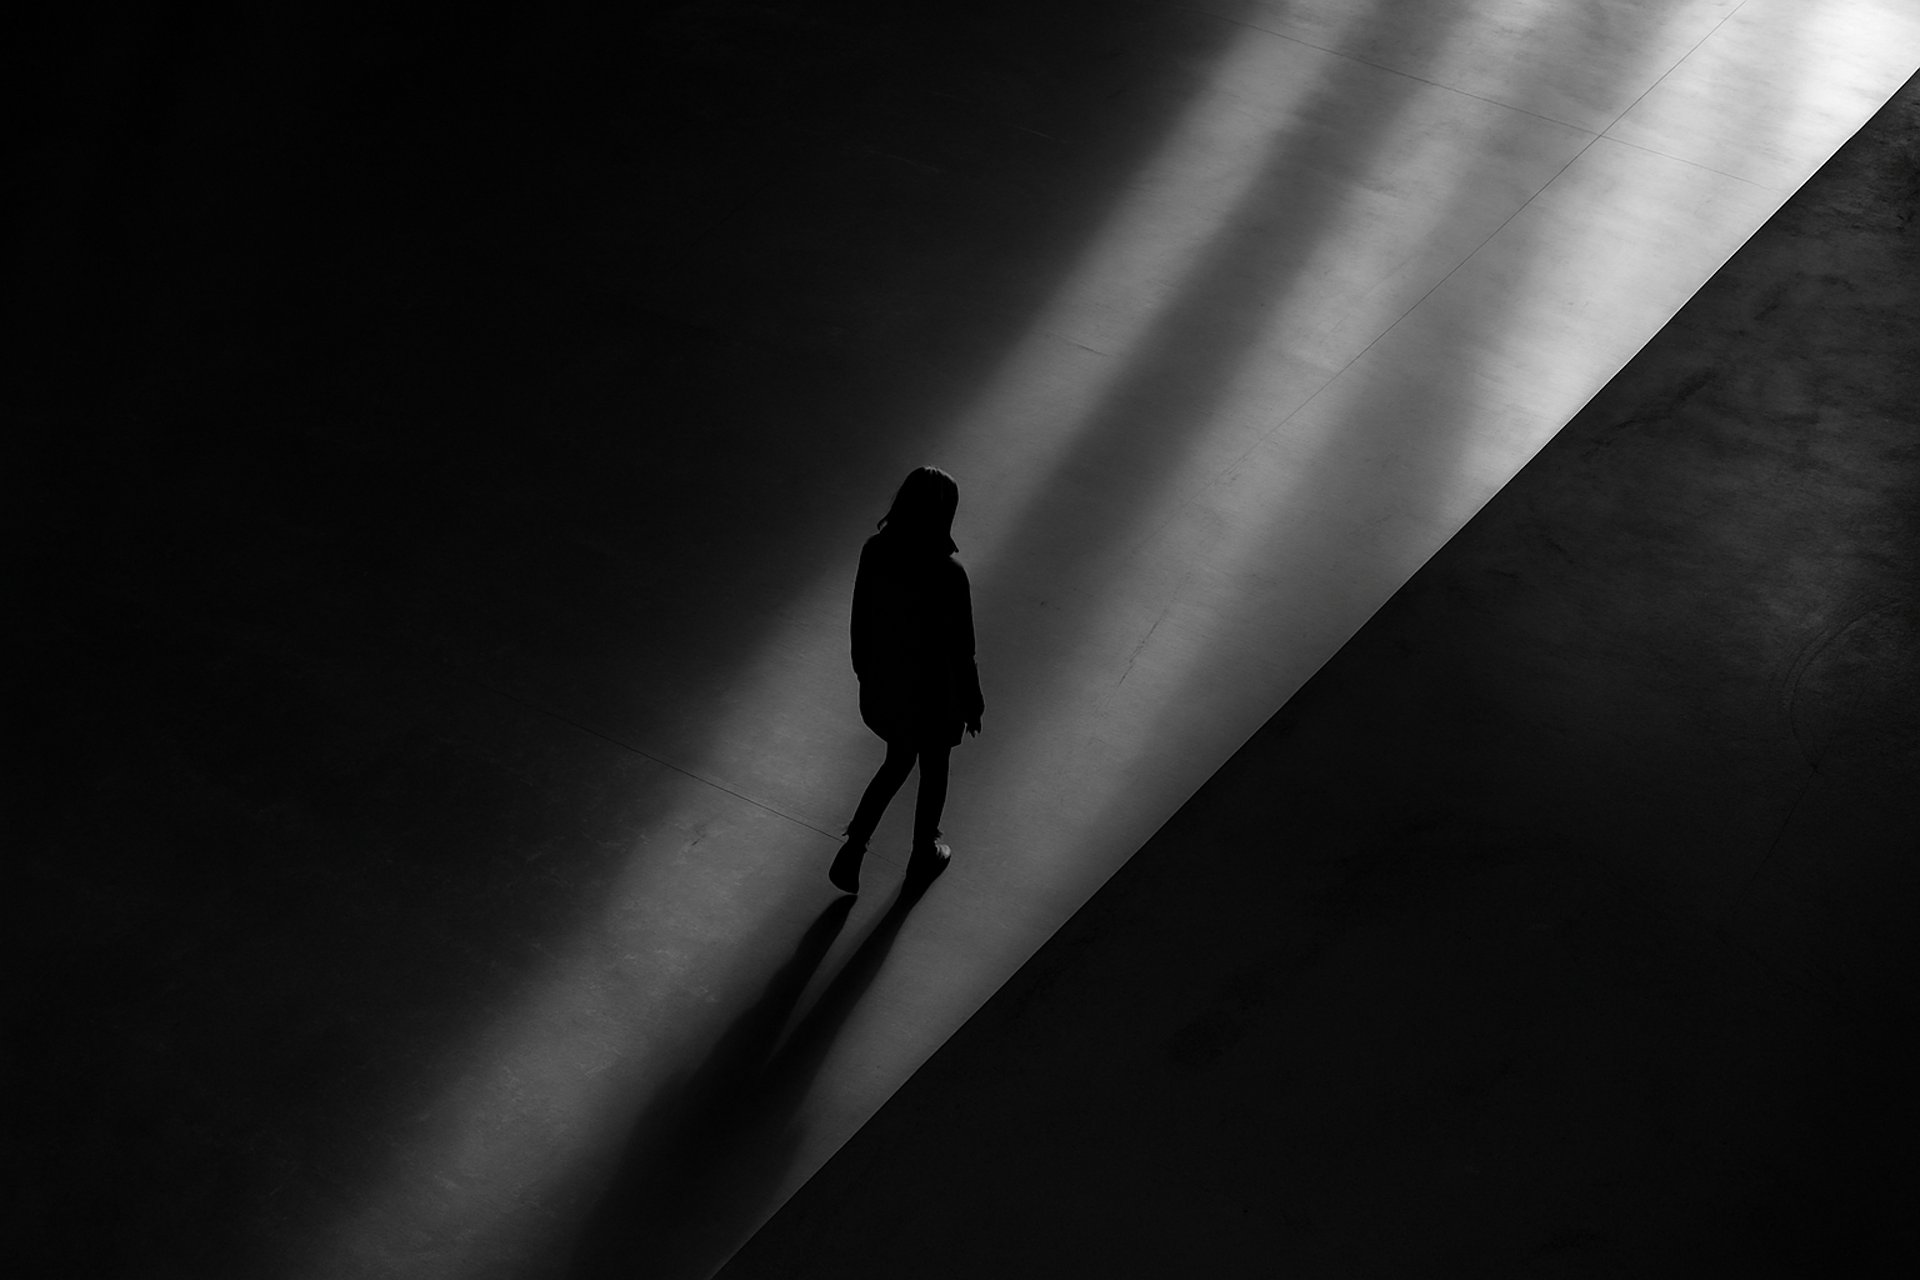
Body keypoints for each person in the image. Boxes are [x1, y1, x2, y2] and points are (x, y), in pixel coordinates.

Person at [831, 467, 984, 894]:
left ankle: (854, 848)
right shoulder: (950, 574)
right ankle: (922, 851)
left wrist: (866, 671)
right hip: (936, 694)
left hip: (889, 685)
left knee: (897, 760)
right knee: (935, 768)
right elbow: (961, 649)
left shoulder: (876, 552)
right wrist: (972, 702)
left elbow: (861, 618)